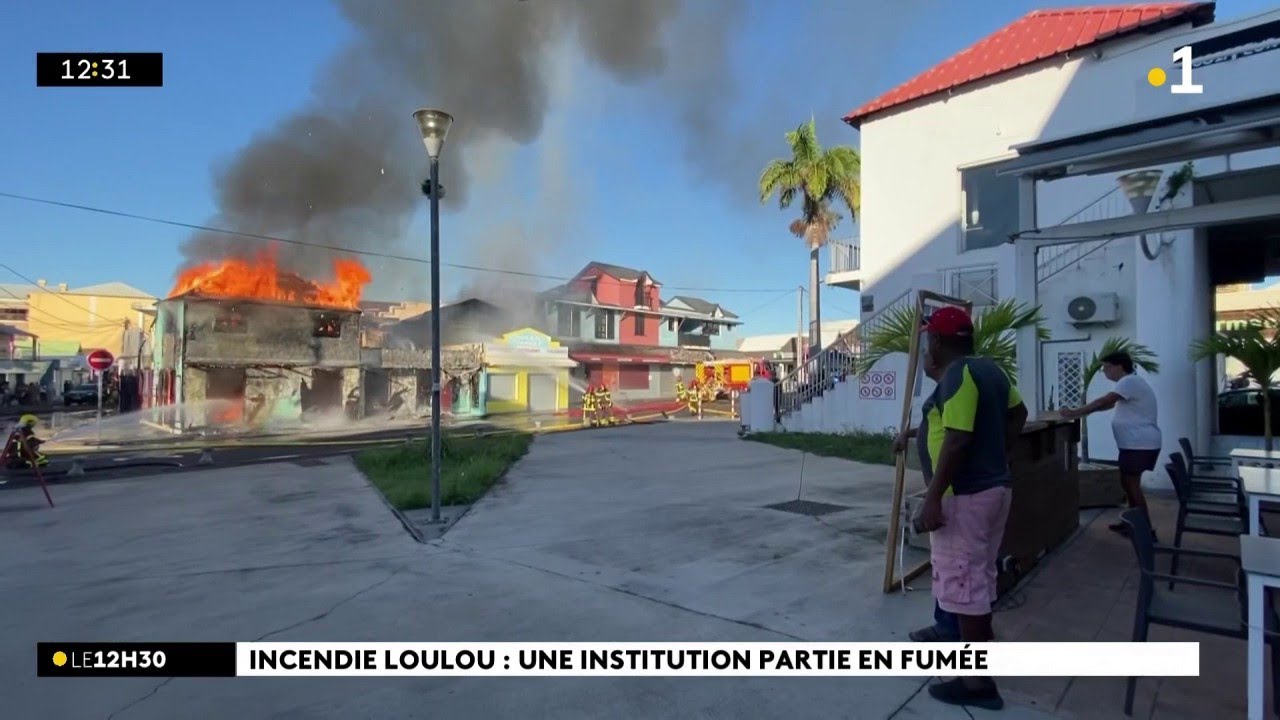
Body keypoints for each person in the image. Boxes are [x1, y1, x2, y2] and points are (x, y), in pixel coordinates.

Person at [911, 306, 1028, 711]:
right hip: (990, 490)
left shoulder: (958, 375)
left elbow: (958, 439)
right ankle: (970, 664)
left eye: (929, 339)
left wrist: (931, 498)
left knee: (965, 589)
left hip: (965, 497)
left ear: (937, 342)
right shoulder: (989, 370)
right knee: (973, 580)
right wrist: (997, 454)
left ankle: (977, 683)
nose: (927, 346)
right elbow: (1019, 413)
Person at [892, 332, 960, 644]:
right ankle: (949, 624)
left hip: (950, 493)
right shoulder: (949, 387)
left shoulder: (955, 384)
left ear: (935, 355)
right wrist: (909, 433)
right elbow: (941, 425)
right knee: (951, 564)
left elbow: (958, 436)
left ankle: (948, 629)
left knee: (950, 565)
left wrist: (933, 496)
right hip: (948, 490)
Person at [1061, 351, 1160, 537]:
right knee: (1128, 483)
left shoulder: (1128, 381)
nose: (1104, 371)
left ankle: (1145, 530)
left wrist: (1076, 412)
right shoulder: (1130, 383)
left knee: (1131, 485)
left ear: (1118, 366)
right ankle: (1131, 523)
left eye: (1106, 367)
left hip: (1139, 444)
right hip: (1136, 444)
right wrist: (1084, 413)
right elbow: (1108, 405)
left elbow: (1105, 400)